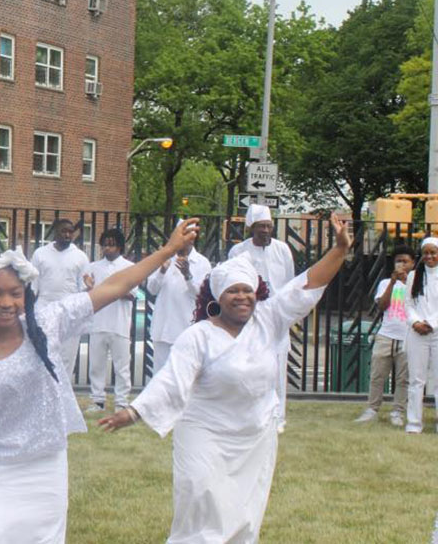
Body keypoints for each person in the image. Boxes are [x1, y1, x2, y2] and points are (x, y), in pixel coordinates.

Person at [0, 221, 202, 543]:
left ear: (25, 294)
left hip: (48, 471)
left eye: (15, 294)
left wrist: (167, 251)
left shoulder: (45, 324)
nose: (5, 303)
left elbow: (113, 287)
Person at [98, 213, 352, 544]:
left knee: (244, 511)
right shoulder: (199, 336)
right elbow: (171, 381)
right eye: (233, 291)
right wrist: (134, 412)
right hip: (205, 433)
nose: (242, 297)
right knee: (201, 499)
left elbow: (307, 284)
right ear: (218, 297)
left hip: (254, 435)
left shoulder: (268, 319)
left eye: (248, 290)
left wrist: (339, 250)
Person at [228, 203, 295, 431]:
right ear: (251, 228)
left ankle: (278, 418)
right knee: (247, 365)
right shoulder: (239, 252)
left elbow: (289, 282)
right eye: (261, 227)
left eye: (268, 226)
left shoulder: (282, 249)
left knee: (278, 366)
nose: (265, 231)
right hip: (250, 317)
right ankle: (248, 414)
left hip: (277, 316)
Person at [354, 244, 414, 426]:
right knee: (377, 374)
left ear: (412, 264)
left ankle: (398, 411)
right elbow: (381, 305)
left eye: (405, 261)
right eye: (398, 261)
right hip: (386, 334)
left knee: (403, 378)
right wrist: (393, 282)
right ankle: (372, 408)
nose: (402, 264)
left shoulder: (417, 283)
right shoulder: (384, 283)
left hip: (407, 336)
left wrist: (406, 282)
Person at [81, 228, 136, 413]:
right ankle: (97, 400)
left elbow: (132, 295)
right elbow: (87, 294)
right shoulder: (94, 267)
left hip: (120, 324)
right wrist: (90, 288)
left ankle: (121, 401)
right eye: (105, 245)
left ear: (119, 246)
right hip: (98, 323)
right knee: (96, 365)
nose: (107, 248)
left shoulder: (128, 267)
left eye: (111, 244)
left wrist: (111, 290)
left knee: (122, 366)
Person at [146, 220, 212, 372]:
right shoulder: (164, 257)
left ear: (192, 238)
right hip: (163, 328)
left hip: (186, 327)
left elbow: (201, 295)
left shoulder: (202, 263)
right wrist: (162, 271)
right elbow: (152, 289)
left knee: (185, 374)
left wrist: (188, 276)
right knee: (160, 375)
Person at [31, 218, 90, 381]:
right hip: (44, 310)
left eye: (70, 232)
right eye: (63, 231)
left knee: (67, 358)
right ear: (55, 232)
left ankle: (64, 396)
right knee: (44, 354)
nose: (67, 235)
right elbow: (33, 287)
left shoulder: (80, 256)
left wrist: (90, 288)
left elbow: (83, 288)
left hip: (69, 312)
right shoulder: (40, 254)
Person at [405, 237, 438, 434]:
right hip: (417, 333)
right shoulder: (414, 276)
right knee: (416, 380)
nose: (429, 256)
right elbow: (407, 304)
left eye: (433, 252)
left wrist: (431, 324)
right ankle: (414, 424)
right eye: (426, 252)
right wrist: (416, 322)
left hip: (436, 331)